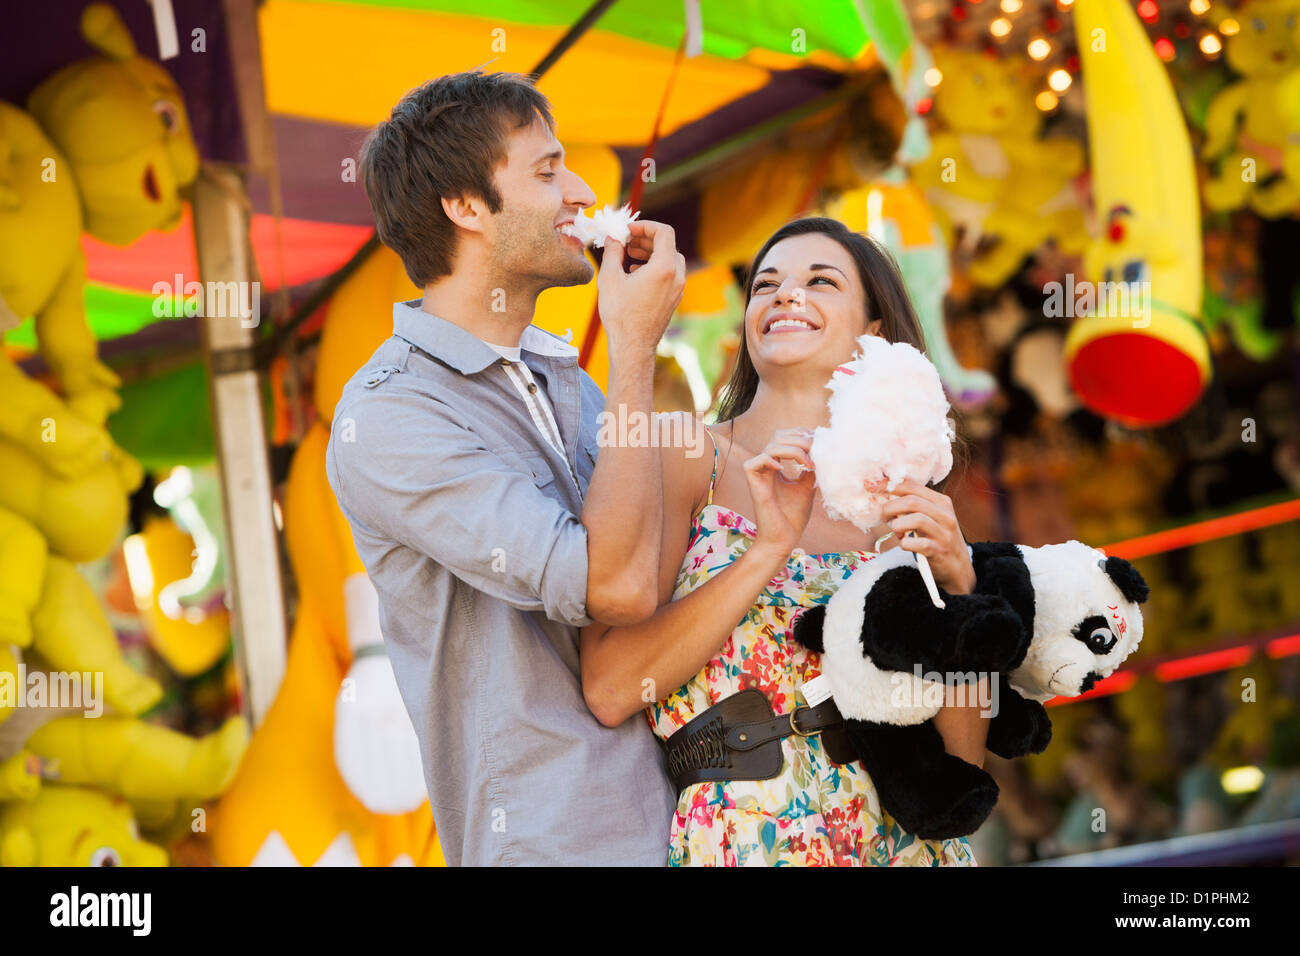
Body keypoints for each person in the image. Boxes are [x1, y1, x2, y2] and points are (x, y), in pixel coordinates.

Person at [325, 70, 685, 866]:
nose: (583, 190)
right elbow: (616, 588)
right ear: (465, 207)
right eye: (548, 170)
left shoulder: (564, 379)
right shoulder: (389, 417)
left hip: (680, 827)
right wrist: (632, 351)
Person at [580, 217, 990, 866]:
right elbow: (612, 686)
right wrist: (768, 548)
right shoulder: (689, 456)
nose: (784, 295)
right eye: (765, 284)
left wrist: (963, 593)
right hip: (753, 834)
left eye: (819, 281)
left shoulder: (901, 502)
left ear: (874, 331)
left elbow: (960, 767)